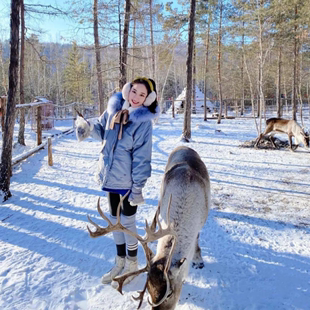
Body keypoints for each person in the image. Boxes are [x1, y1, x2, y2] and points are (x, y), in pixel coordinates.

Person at [75, 77, 159, 288]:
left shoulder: (143, 123)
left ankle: (132, 264)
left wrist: (137, 187)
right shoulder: (114, 109)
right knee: (115, 222)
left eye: (142, 95)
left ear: (148, 99)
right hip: (110, 177)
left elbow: (142, 158)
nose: (137, 97)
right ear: (127, 90)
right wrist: (87, 127)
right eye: (135, 91)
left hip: (127, 182)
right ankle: (119, 261)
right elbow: (102, 131)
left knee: (128, 223)